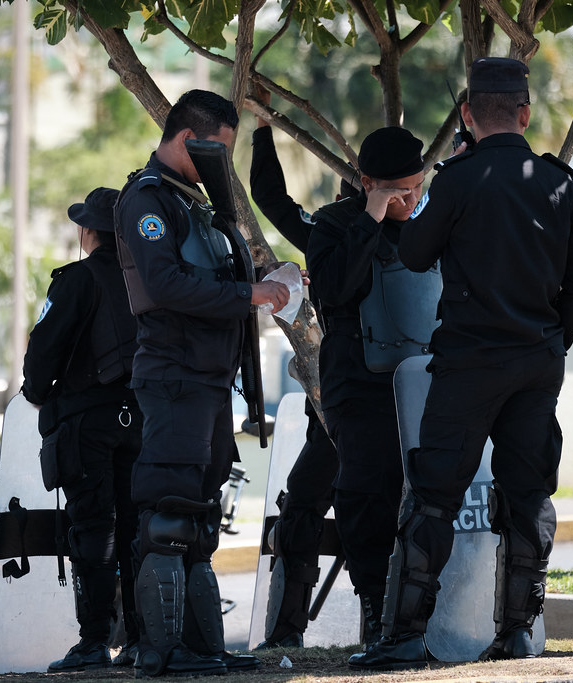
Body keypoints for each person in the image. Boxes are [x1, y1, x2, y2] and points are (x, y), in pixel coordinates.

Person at [349, 57, 573, 669]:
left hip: (469, 364)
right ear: (525, 113)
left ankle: (406, 636)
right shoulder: (561, 183)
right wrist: (550, 343)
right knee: (528, 492)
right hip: (536, 362)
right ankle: (517, 632)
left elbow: (412, 253)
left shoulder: (457, 180)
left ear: (466, 114)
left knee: (433, 495)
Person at [114, 89, 287, 676]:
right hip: (173, 379)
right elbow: (165, 286)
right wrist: (251, 295)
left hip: (209, 384)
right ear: (188, 139)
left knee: (199, 519)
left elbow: (217, 271)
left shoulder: (196, 204)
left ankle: (201, 650)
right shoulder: (148, 200)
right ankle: (159, 653)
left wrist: (269, 279)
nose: (222, 162)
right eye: (217, 149)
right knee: (167, 515)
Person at [305, 126, 432, 648]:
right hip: (359, 382)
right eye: (398, 191)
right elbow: (335, 288)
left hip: (422, 378)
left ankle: (420, 611)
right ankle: (375, 606)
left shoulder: (430, 223)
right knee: (365, 492)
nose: (411, 200)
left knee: (431, 492)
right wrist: (371, 219)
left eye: (417, 188)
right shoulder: (334, 224)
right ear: (367, 183)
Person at [20, 187, 143, 672]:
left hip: (86, 424)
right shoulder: (148, 277)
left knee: (92, 531)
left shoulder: (76, 279)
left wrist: (35, 393)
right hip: (140, 420)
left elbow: (42, 353)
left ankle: (93, 642)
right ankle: (139, 639)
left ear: (89, 231)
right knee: (135, 530)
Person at [248, 95, 341, 649]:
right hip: (354, 405)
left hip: (348, 405)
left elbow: (268, 198)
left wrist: (264, 130)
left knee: (306, 510)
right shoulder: (425, 235)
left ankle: (289, 635)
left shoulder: (332, 232)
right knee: (307, 508)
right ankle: (290, 634)